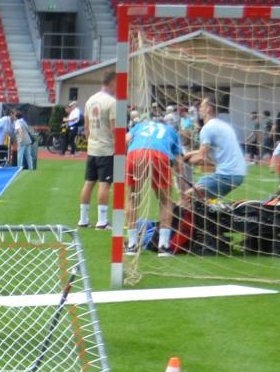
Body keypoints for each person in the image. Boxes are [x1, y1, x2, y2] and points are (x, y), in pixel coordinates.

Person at [126, 112, 182, 256]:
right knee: (165, 201)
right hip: (160, 155)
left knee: (133, 198)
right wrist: (182, 191)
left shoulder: (140, 126)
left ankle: (132, 244)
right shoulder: (171, 131)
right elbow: (179, 164)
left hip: (136, 153)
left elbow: (126, 140)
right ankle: (163, 246)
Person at [181, 96, 247, 201]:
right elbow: (209, 154)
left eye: (201, 106)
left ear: (208, 109)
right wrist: (189, 154)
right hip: (239, 174)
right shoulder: (224, 125)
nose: (199, 109)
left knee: (186, 197)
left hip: (226, 175)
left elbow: (202, 158)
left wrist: (183, 160)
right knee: (200, 202)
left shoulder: (208, 128)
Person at [77, 71, 118, 229]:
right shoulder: (112, 102)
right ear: (112, 82)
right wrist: (121, 147)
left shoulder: (90, 100)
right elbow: (114, 128)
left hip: (92, 147)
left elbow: (86, 127)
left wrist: (90, 142)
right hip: (106, 148)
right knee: (104, 184)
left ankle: (83, 219)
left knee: (88, 183)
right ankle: (102, 221)